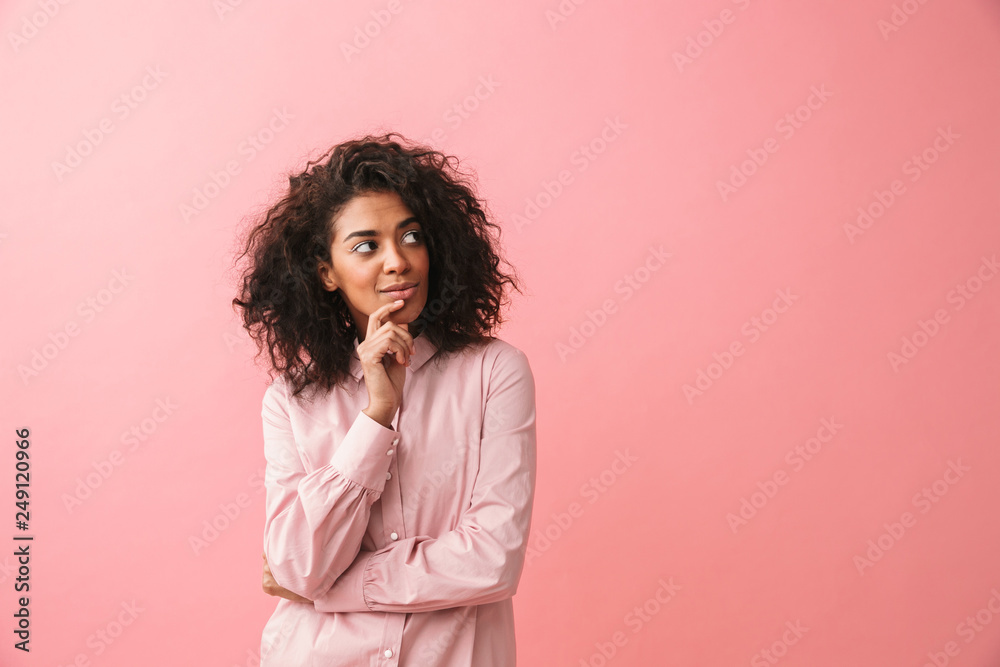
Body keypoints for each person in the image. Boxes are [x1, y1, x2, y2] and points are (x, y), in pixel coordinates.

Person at [231, 132, 537, 666]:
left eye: (412, 236)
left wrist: (332, 588)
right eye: (366, 245)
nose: (398, 261)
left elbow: (493, 560)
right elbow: (297, 565)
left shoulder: (494, 372)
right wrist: (376, 417)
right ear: (325, 272)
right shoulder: (291, 400)